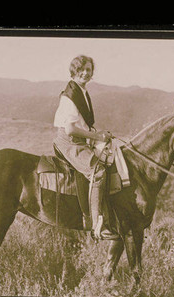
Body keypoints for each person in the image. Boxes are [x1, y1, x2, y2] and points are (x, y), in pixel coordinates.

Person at [53, 55, 112, 239]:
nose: (86, 73)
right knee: (99, 172)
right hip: (69, 142)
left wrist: (99, 135)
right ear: (74, 71)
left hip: (79, 140)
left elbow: (83, 124)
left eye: (89, 69)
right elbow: (70, 129)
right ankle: (97, 226)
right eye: (82, 69)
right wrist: (96, 136)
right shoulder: (70, 95)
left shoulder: (81, 91)